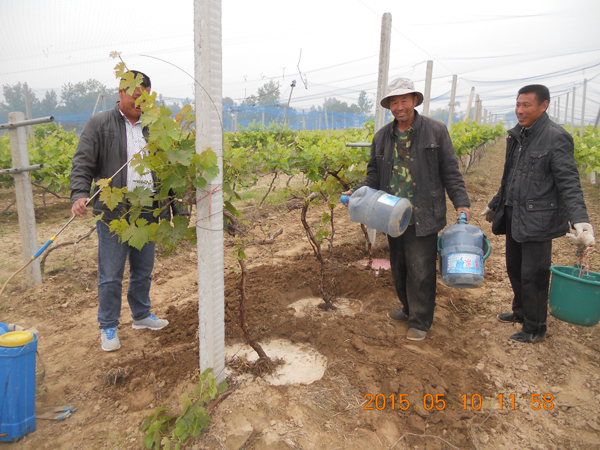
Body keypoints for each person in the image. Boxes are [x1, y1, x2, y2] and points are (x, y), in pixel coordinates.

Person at [344, 78, 471, 341]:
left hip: (423, 213)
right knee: (399, 265)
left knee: (421, 268)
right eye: (394, 101)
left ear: (414, 100)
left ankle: (421, 321)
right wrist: (359, 191)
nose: (399, 106)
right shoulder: (382, 136)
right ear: (389, 105)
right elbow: (374, 175)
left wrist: (462, 202)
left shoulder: (435, 131)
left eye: (404, 100)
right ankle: (407, 307)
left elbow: (450, 170)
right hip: (391, 213)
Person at [70, 71, 185, 352]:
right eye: (135, 97)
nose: (140, 103)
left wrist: (178, 209)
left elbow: (173, 171)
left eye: (145, 98)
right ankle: (108, 326)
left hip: (148, 210)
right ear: (121, 93)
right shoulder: (99, 124)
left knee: (143, 270)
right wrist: (79, 193)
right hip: (114, 212)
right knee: (110, 274)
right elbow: (83, 162)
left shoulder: (155, 127)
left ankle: (141, 315)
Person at [481, 84, 594, 343]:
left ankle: (535, 326)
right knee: (514, 268)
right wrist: (496, 201)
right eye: (518, 104)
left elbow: (568, 181)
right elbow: (510, 175)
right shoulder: (518, 134)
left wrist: (579, 219)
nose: (519, 110)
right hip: (514, 213)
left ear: (543, 106)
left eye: (526, 105)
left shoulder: (556, 137)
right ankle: (521, 312)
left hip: (538, 217)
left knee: (534, 274)